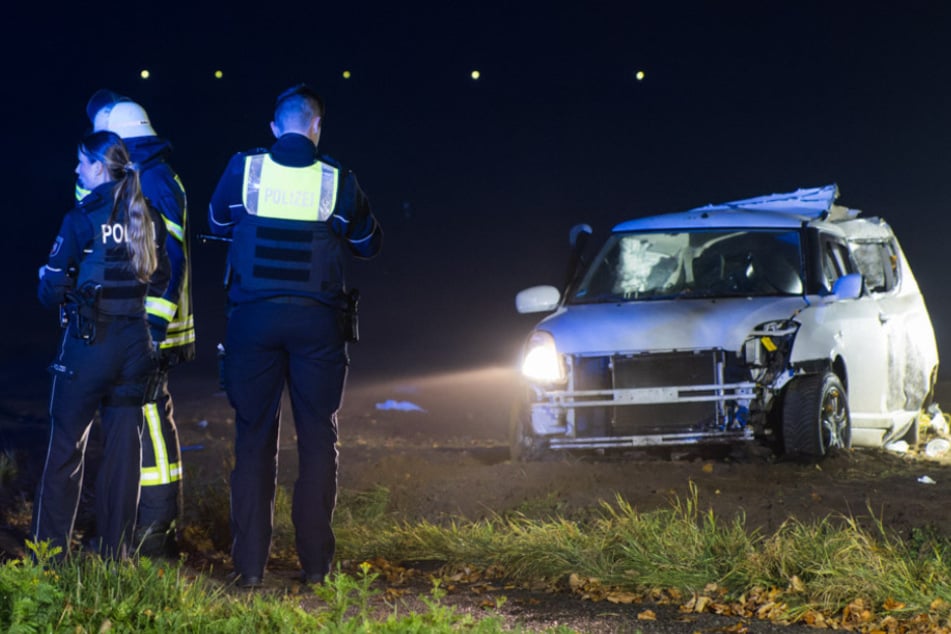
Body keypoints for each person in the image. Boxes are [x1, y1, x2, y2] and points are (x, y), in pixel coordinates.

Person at [208, 83, 382, 587]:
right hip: (317, 325)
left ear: (273, 126)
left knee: (253, 441)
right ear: (316, 127)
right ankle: (315, 567)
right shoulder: (336, 179)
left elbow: (219, 222)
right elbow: (369, 243)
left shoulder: (244, 169)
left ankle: (250, 571)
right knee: (317, 441)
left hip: (253, 321)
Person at [32, 131, 170, 560]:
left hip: (89, 345)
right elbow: (161, 277)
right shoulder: (148, 216)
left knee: (65, 450)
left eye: (80, 162)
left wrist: (49, 279)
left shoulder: (82, 217)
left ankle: (48, 560)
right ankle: (117, 557)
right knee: (124, 456)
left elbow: (51, 292)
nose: (76, 170)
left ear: (97, 166)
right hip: (135, 347)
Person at [79, 90, 194, 557]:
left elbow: (169, 264)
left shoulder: (154, 182)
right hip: (130, 327)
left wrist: (149, 332)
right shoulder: (144, 174)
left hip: (146, 330)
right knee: (136, 424)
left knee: (150, 424)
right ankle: (132, 527)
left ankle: (155, 535)